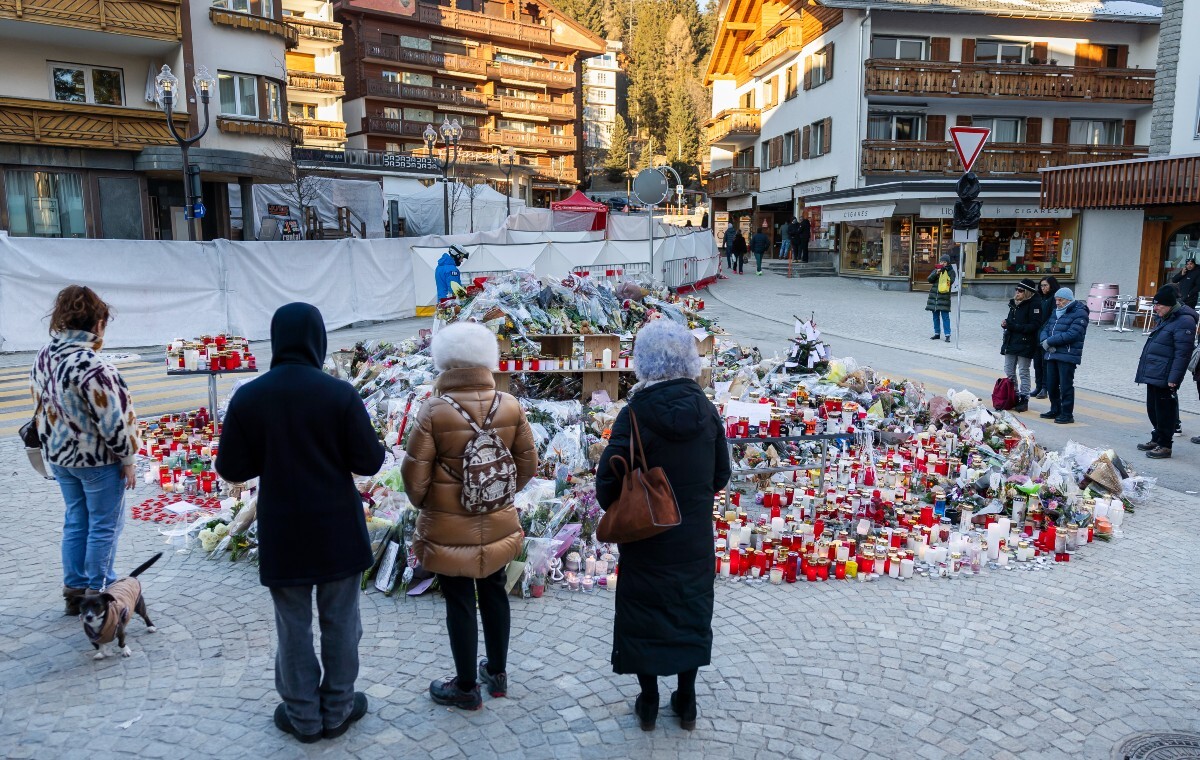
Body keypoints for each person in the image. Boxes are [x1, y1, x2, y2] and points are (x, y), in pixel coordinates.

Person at [216, 303, 385, 743]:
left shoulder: (250, 396)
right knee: (342, 622)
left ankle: (303, 716)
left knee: (292, 625)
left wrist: (268, 452)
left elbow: (231, 467)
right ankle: (339, 707)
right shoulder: (339, 394)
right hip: (337, 529)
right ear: (317, 340)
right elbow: (368, 461)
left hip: (283, 529)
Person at [595, 319, 731, 732]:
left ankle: (649, 700)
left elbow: (606, 487)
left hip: (647, 539)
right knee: (690, 613)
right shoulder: (707, 412)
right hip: (692, 540)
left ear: (643, 362)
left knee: (645, 616)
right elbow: (721, 475)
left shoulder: (634, 414)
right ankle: (686, 702)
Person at [401, 322, 537, 711]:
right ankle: (497, 674)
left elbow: (415, 475)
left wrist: (432, 503)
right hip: (498, 519)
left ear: (446, 361)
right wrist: (499, 495)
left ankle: (464, 687)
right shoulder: (509, 404)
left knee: (459, 599)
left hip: (448, 523)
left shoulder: (435, 410)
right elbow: (528, 463)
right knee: (495, 590)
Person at [30, 286, 140, 616]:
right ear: (98, 323)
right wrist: (128, 458)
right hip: (97, 460)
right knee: (105, 525)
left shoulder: (43, 356)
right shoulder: (92, 366)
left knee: (76, 520)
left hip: (59, 456)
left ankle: (74, 589)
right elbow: (113, 421)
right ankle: (99, 588)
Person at [1134, 286, 1198, 458]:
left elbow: (1183, 353)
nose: (1155, 308)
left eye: (1158, 305)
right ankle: (1157, 438)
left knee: (1165, 411)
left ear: (1169, 305)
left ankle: (1165, 445)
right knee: (1153, 409)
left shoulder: (1185, 321)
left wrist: (1174, 378)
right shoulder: (1166, 317)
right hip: (1155, 371)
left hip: (1166, 374)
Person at [1038, 287, 1088, 424]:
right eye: (1056, 300)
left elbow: (1073, 334)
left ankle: (1067, 413)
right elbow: (1046, 328)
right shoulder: (1056, 312)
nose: (1057, 303)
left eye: (1060, 300)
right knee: (1051, 384)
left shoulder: (1080, 313)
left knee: (1065, 385)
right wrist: (1044, 340)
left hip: (1068, 354)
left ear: (1069, 300)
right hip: (1052, 352)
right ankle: (1055, 409)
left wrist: (1050, 341)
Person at [1001, 279, 1042, 412]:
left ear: (1028, 292)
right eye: (1016, 290)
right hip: (1011, 341)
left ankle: (1024, 398)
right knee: (1008, 370)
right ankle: (1014, 395)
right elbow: (1011, 320)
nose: (1017, 293)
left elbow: (1034, 326)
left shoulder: (1035, 304)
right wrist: (1005, 323)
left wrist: (1013, 326)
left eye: (1020, 291)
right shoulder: (1014, 303)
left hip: (1025, 343)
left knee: (1023, 371)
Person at [1031, 276, 1061, 399]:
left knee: (1045, 363)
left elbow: (1052, 318)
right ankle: (1038, 386)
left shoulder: (1054, 299)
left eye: (1045, 285)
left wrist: (1043, 330)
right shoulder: (1038, 298)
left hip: (1046, 334)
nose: (1043, 288)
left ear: (1051, 286)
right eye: (1041, 285)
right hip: (1035, 333)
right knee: (1037, 363)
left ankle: (1045, 387)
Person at [926, 254, 955, 342]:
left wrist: (944, 273)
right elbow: (929, 279)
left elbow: (951, 281)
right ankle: (937, 333)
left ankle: (947, 335)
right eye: (941, 261)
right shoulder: (936, 270)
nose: (942, 263)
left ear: (948, 263)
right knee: (935, 317)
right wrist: (936, 273)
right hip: (934, 297)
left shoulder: (951, 271)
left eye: (944, 262)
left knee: (945, 317)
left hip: (944, 298)